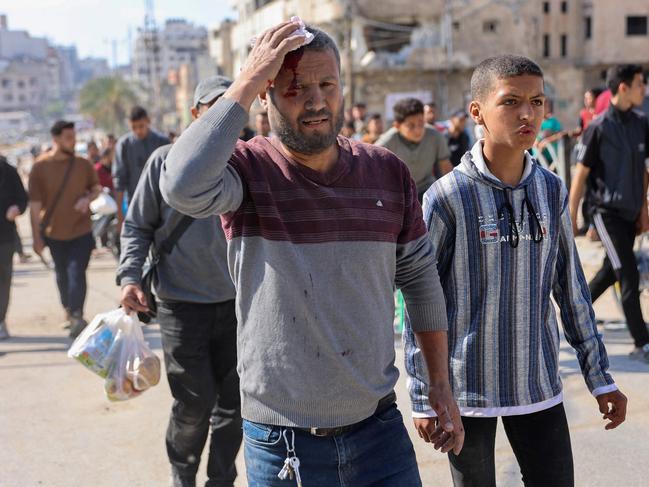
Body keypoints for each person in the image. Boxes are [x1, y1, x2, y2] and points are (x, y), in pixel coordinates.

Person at [160, 20, 463, 486]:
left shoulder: (387, 172)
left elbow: (420, 279)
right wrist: (246, 79)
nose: (316, 101)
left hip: (379, 432)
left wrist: (438, 383)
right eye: (294, 88)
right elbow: (181, 184)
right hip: (280, 443)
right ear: (265, 95)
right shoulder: (247, 170)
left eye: (327, 84)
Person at [406, 54, 627, 487]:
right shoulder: (448, 197)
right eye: (510, 102)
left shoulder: (550, 190)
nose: (527, 113)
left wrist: (600, 379)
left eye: (537, 101)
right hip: (465, 390)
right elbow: (419, 299)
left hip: (537, 382)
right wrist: (424, 393)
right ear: (478, 112)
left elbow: (572, 290)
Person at [118, 75, 241, 487]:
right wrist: (130, 276)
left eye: (232, 110)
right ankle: (183, 473)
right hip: (180, 305)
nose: (224, 121)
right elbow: (136, 226)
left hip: (241, 306)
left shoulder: (251, 165)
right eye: (214, 111)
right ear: (196, 115)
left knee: (238, 403)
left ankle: (221, 478)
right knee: (194, 402)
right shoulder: (163, 162)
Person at [569, 64, 649, 363]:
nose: (645, 90)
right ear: (624, 87)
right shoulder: (598, 127)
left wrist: (643, 209)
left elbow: (643, 170)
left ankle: (572, 315)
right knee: (627, 273)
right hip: (605, 213)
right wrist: (572, 215)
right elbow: (580, 174)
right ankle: (642, 342)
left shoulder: (641, 123)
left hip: (630, 212)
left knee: (608, 272)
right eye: (641, 84)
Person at [28, 120, 102, 338]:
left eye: (74, 136)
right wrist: (35, 238)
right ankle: (69, 311)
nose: (73, 141)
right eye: (68, 137)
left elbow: (96, 188)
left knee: (77, 272)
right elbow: (34, 207)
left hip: (81, 230)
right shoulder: (40, 167)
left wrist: (87, 199)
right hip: (53, 233)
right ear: (56, 139)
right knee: (62, 275)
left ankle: (77, 314)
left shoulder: (83, 164)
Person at [376, 97, 452, 202]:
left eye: (421, 124)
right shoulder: (386, 142)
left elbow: (446, 168)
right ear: (397, 126)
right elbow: (372, 169)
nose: (418, 130)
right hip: (398, 191)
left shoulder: (436, 136)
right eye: (411, 126)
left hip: (427, 188)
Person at [113, 106, 170, 229]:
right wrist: (119, 214)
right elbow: (119, 182)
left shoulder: (162, 142)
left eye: (141, 126)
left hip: (161, 205)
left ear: (148, 121)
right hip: (134, 205)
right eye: (134, 127)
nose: (138, 131)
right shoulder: (124, 145)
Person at [0, 155, 28, 340]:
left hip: (5, 237)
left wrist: (17, 208)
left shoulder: (8, 171)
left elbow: (23, 198)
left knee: (3, 281)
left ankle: (0, 320)